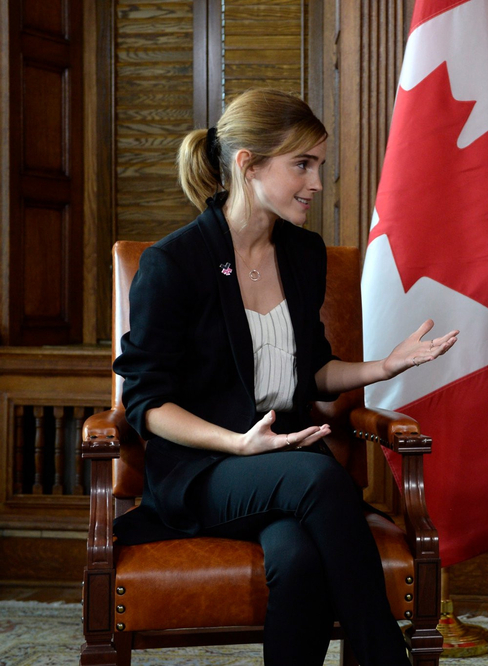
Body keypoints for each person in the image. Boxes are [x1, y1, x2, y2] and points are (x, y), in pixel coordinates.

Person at [112, 88, 458, 665]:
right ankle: (385, 658)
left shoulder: (304, 253)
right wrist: (238, 444)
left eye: (318, 164)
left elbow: (313, 370)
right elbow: (147, 402)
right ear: (248, 164)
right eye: (302, 164)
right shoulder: (174, 263)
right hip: (206, 468)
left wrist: (385, 366)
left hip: (287, 467)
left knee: (298, 561)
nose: (317, 182)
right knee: (318, 480)